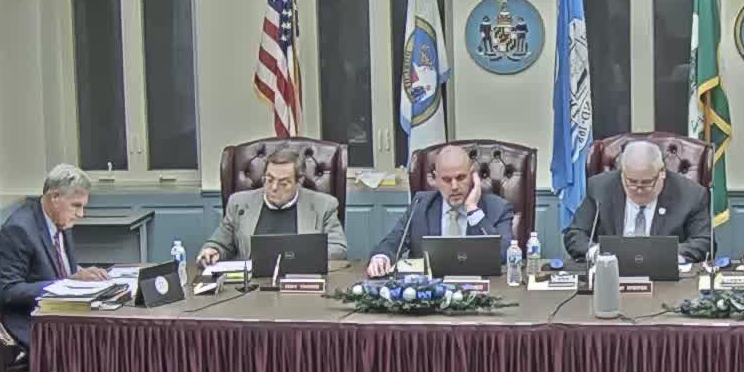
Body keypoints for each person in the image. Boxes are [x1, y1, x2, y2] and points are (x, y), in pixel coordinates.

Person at [0, 164, 108, 347]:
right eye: (76, 205)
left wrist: (82, 273)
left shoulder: (60, 220)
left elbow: (53, 266)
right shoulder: (19, 230)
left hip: (61, 313)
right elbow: (7, 291)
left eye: (83, 207)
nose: (81, 214)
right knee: (98, 342)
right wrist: (67, 284)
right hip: (31, 321)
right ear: (55, 197)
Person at [367, 144, 514, 277]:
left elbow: (505, 255)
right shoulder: (420, 205)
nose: (454, 186)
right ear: (436, 179)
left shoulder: (499, 208)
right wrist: (381, 258)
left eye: (461, 177)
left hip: (481, 291)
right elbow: (392, 242)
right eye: (447, 180)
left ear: (472, 176)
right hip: (430, 292)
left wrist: (473, 211)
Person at [196, 146, 348, 268]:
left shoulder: (324, 205)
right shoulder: (239, 203)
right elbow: (220, 243)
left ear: (299, 181)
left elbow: (338, 249)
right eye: (269, 180)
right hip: (251, 288)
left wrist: (297, 258)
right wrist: (212, 251)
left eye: (283, 183)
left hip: (301, 283)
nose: (274, 187)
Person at [562, 140, 712, 263]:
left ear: (662, 173)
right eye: (632, 182)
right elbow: (575, 234)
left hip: (666, 279)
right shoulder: (599, 188)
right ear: (622, 174)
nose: (638, 189)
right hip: (611, 274)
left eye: (646, 182)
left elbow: (705, 242)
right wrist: (596, 253)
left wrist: (668, 255)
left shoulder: (691, 195)